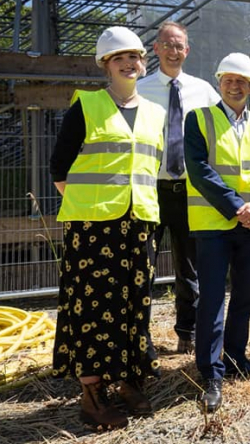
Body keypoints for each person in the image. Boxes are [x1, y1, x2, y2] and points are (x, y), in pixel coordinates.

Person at [50, 26, 166, 430]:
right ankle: (91, 392)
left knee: (134, 304)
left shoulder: (156, 113)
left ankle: (127, 378)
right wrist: (93, 207)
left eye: (134, 57)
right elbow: (59, 171)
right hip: (93, 228)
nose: (129, 64)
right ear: (106, 65)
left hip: (138, 225)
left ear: (143, 62)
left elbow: (149, 169)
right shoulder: (87, 106)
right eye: (120, 58)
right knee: (93, 308)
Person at [184, 53, 250, 413]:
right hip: (214, 224)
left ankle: (237, 358)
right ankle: (211, 373)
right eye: (228, 79)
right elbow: (197, 169)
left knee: (245, 295)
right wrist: (234, 207)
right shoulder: (199, 120)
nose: (235, 85)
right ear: (219, 82)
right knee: (211, 299)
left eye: (242, 80)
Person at [137, 21, 220, 355]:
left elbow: (223, 131)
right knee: (142, 266)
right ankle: (140, 337)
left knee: (190, 268)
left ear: (187, 50)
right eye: (167, 45)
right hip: (150, 189)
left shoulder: (204, 91)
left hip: (190, 191)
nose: (173, 51)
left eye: (179, 46)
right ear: (156, 49)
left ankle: (188, 331)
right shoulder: (140, 89)